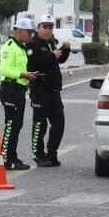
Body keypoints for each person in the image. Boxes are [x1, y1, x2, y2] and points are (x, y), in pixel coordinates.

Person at [28, 18, 72, 167]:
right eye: (45, 27)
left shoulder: (50, 43)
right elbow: (34, 64)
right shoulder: (32, 45)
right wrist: (52, 55)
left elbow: (58, 60)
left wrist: (65, 49)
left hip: (54, 91)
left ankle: (52, 154)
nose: (48, 30)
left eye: (50, 27)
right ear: (38, 28)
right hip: (40, 90)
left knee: (59, 123)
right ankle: (39, 155)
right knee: (40, 125)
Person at [0, 15, 39, 171]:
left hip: (20, 90)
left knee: (17, 125)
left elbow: (21, 68)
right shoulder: (9, 47)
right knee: (11, 124)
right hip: (10, 89)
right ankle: (5, 159)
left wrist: (29, 75)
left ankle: (12, 157)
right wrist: (23, 75)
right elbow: (4, 70)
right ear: (19, 31)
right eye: (29, 32)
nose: (31, 36)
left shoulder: (21, 48)